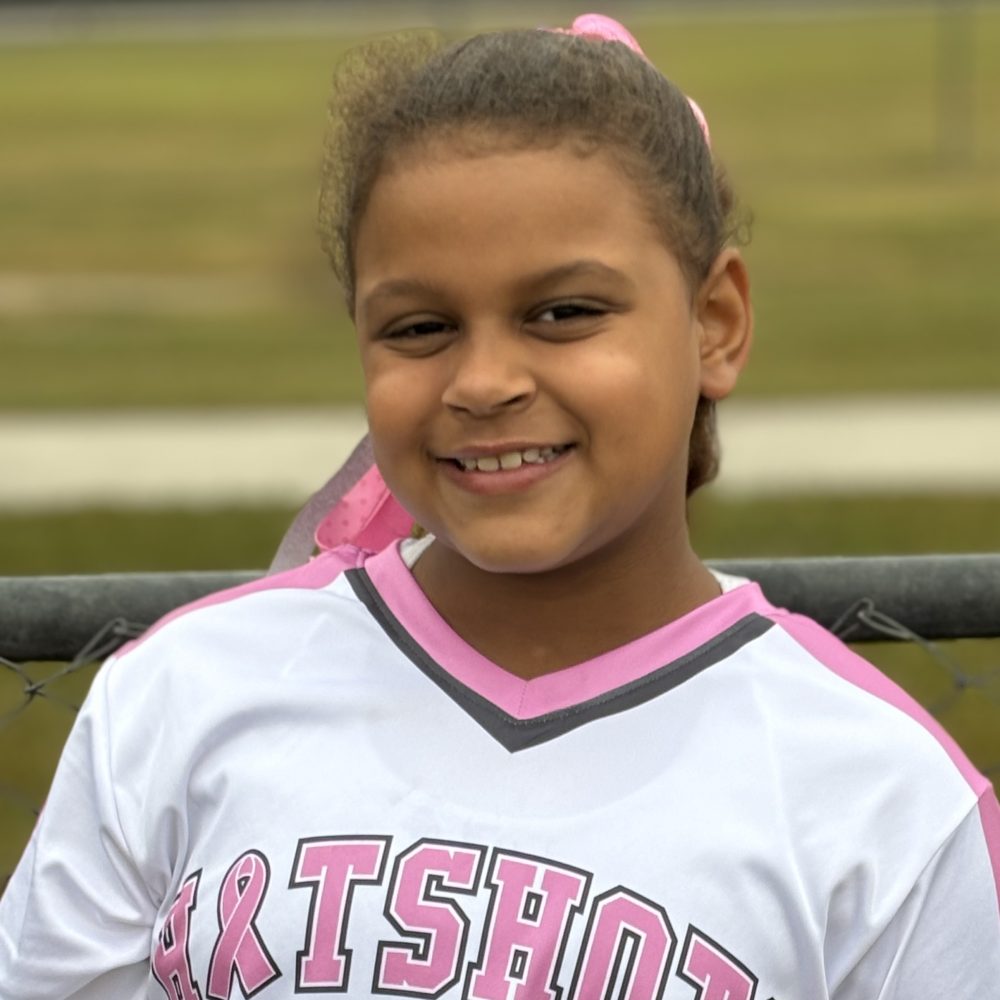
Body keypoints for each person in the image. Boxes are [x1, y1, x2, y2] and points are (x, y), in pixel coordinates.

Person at [1, 14, 998, 999]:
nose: (482, 382)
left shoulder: (881, 794)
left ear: (714, 323)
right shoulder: (180, 698)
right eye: (420, 326)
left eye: (563, 312)